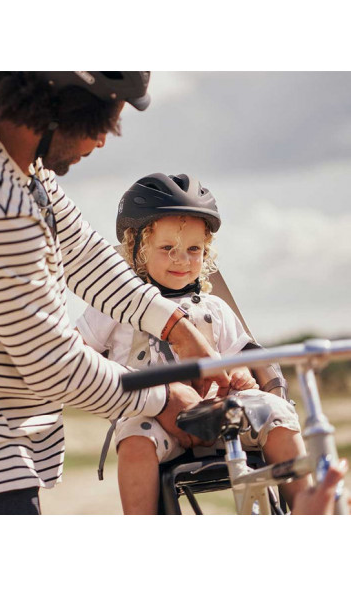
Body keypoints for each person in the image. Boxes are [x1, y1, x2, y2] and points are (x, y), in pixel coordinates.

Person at [0, 72, 229, 515]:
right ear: (61, 102)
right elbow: (53, 364)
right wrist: (164, 397)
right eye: (99, 123)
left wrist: (175, 326)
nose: (99, 142)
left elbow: (80, 250)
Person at [76, 172, 310, 514]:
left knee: (277, 415)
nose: (182, 260)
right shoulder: (115, 306)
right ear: (136, 248)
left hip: (223, 414)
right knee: (134, 442)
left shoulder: (215, 307)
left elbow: (244, 355)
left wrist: (246, 376)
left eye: (194, 249)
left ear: (207, 251)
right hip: (153, 417)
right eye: (167, 248)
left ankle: (309, 508)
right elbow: (79, 349)